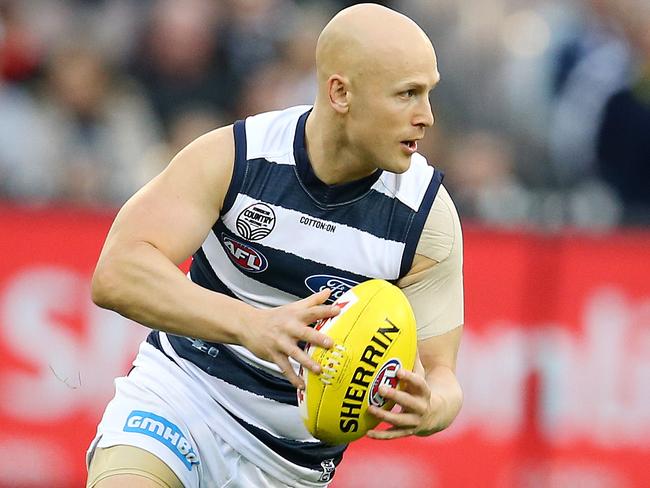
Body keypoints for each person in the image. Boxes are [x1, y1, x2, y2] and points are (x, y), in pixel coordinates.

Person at [86, 3, 464, 487]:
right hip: (182, 400)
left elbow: (443, 377)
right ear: (341, 92)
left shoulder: (427, 216)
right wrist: (253, 325)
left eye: (428, 93)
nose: (426, 116)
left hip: (290, 466)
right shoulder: (238, 156)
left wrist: (432, 407)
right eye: (408, 94)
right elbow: (117, 271)